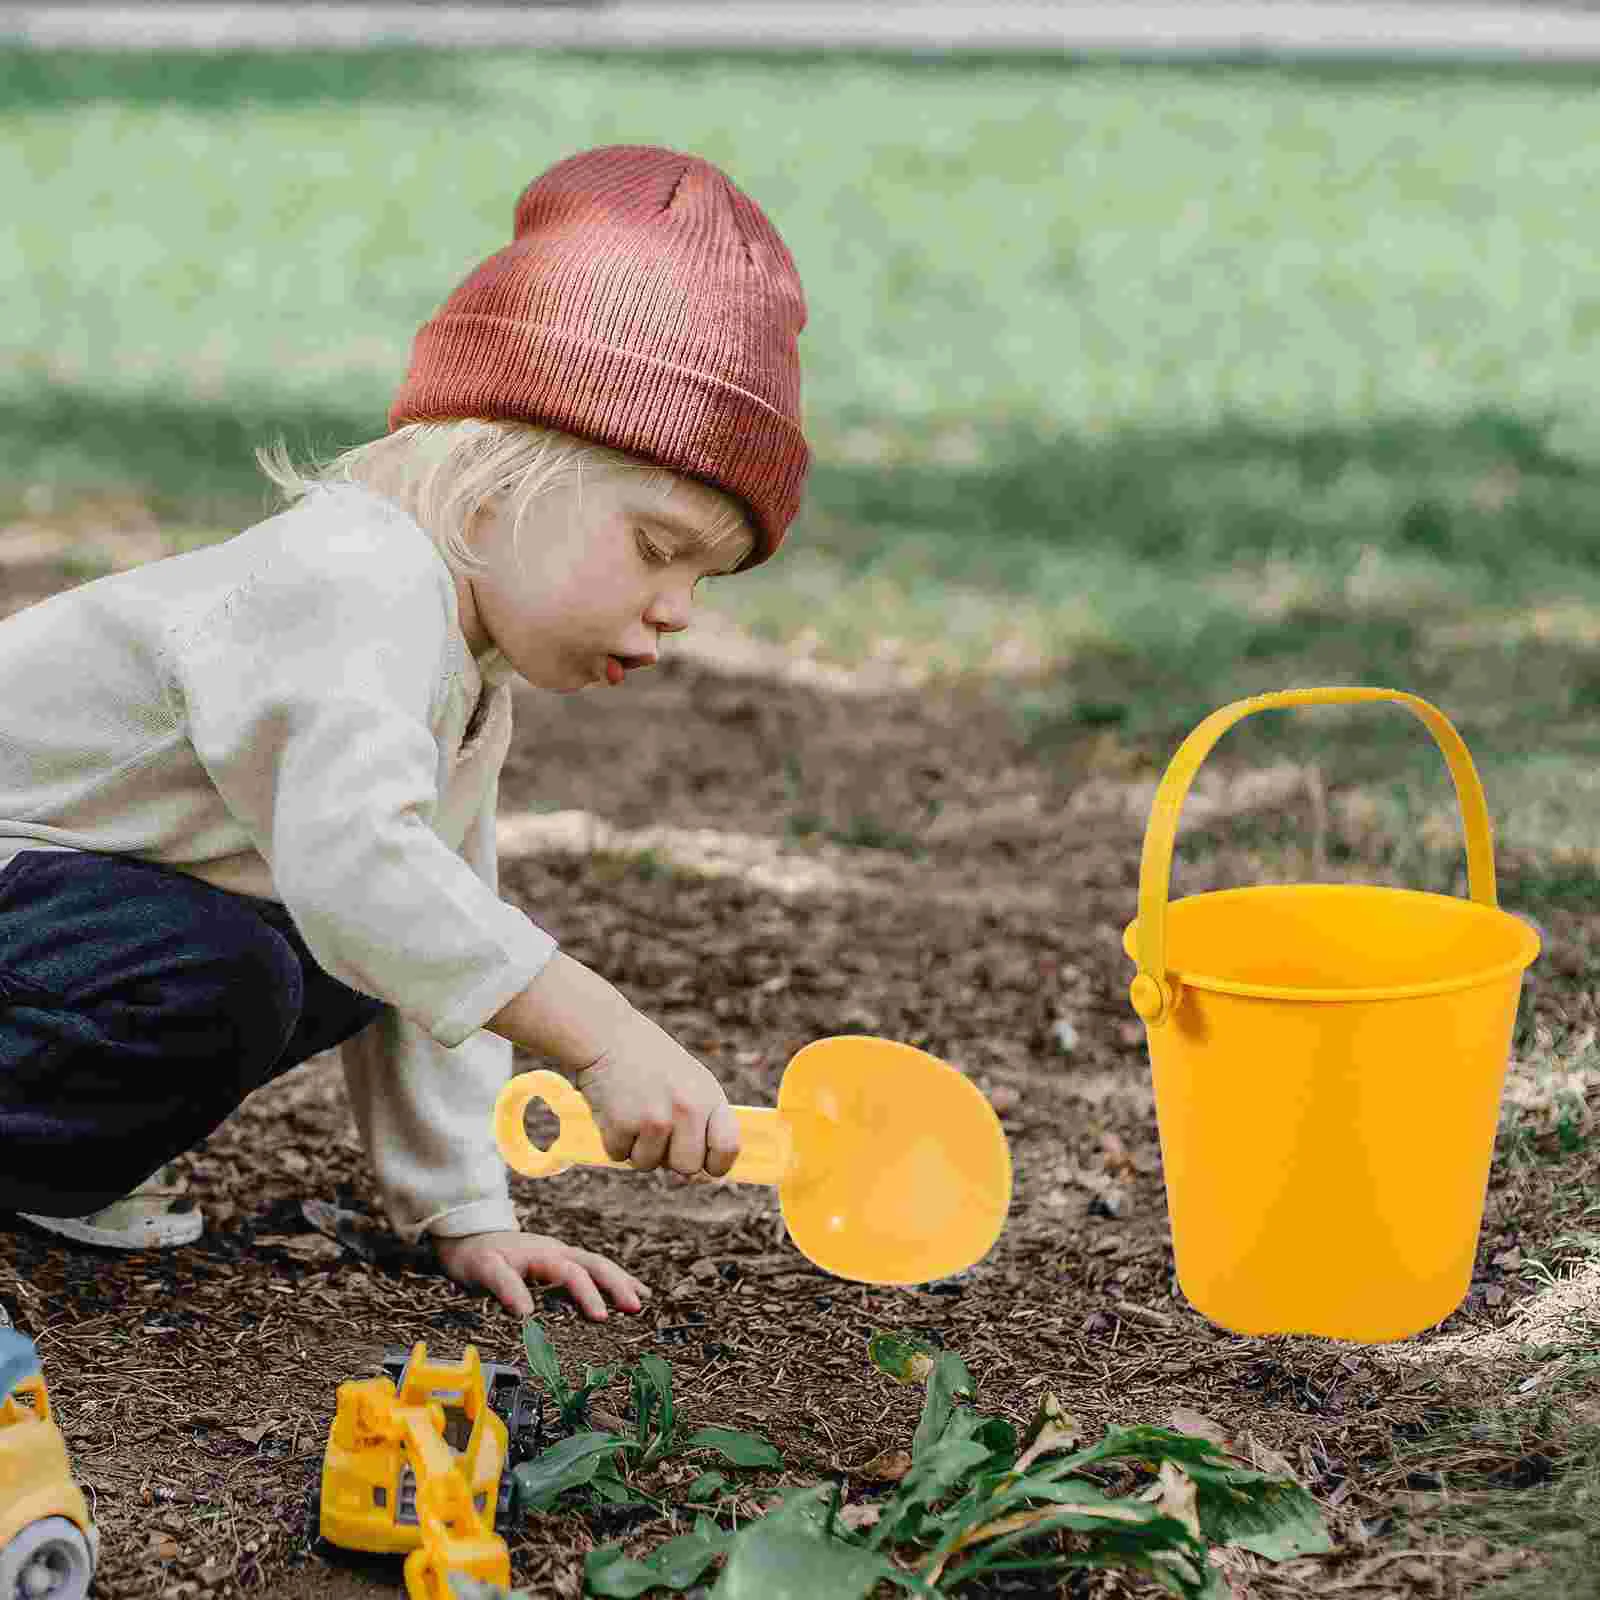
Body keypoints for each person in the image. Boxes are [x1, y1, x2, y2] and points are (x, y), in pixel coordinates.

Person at [0, 144, 809, 1323]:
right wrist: (603, 1034)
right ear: (494, 484)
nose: (678, 609)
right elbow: (363, 872)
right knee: (233, 969)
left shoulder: (459, 665)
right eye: (655, 547)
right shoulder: (353, 582)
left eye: (707, 580)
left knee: (336, 955)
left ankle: (50, 1157)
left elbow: (429, 934)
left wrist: (467, 1208)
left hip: (47, 906)